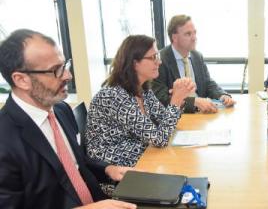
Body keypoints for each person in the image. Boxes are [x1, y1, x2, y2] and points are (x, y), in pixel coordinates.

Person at [0, 29, 136, 208]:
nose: (68, 76)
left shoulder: (61, 109)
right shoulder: (4, 139)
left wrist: (108, 169)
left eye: (65, 65)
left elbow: (75, 162)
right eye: (56, 70)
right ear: (21, 80)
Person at [85, 35, 195, 194]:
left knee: (186, 167)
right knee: (181, 178)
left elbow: (165, 122)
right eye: (153, 57)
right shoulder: (114, 96)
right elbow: (160, 139)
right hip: (119, 176)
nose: (160, 61)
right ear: (134, 63)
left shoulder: (142, 89)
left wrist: (179, 98)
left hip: (141, 159)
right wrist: (175, 101)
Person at [152, 14, 235, 114]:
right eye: (188, 34)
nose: (194, 38)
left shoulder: (197, 56)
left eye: (194, 33)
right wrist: (194, 102)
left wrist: (222, 95)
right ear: (174, 37)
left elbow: (208, 83)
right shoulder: (160, 60)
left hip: (201, 115)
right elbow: (161, 99)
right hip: (177, 118)